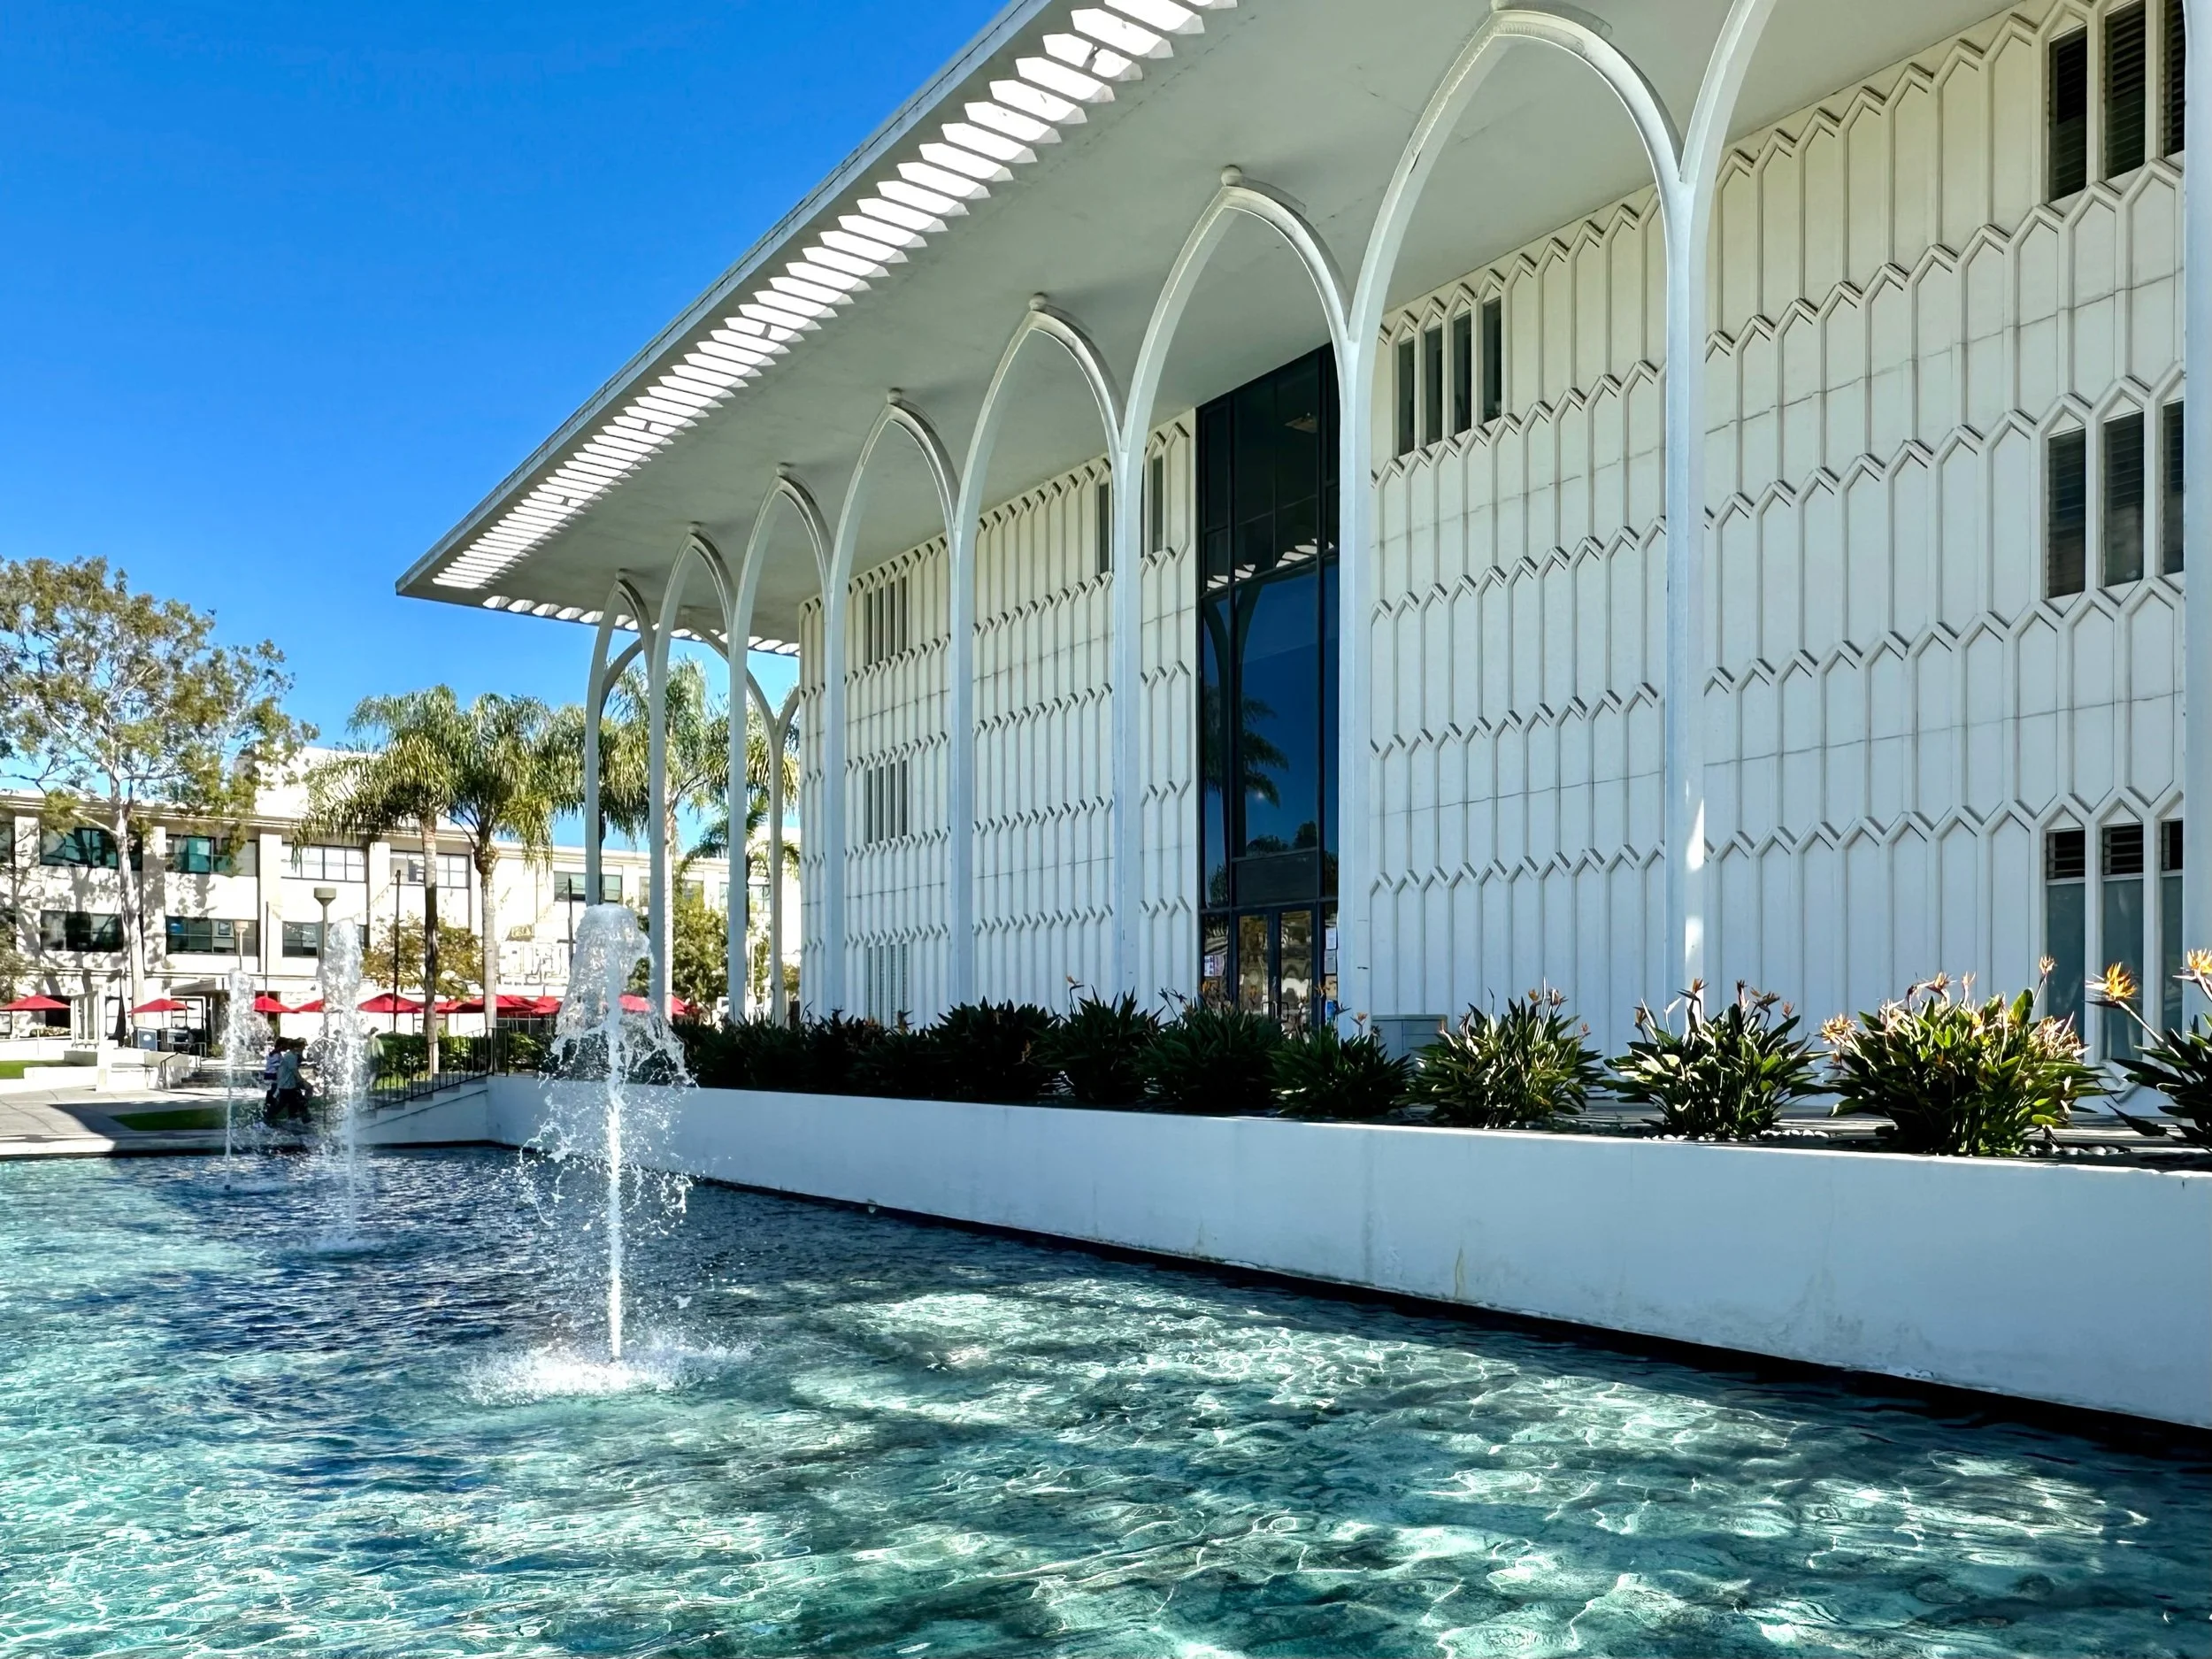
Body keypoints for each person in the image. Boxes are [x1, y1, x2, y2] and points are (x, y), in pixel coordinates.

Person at [273, 1040, 307, 1126]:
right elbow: (294, 1071)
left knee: (293, 1101)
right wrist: (302, 1081)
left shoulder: (291, 1055)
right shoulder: (291, 1056)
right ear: (297, 1047)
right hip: (286, 1084)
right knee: (284, 1102)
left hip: (288, 1083)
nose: (304, 1048)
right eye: (303, 1047)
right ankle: (270, 1115)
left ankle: (292, 1118)